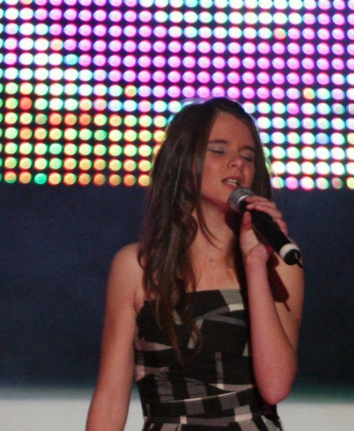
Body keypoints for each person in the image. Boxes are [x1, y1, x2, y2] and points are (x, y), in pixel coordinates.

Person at [86, 97, 304, 431]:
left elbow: (275, 386)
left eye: (248, 156)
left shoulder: (279, 262)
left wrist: (256, 265)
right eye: (218, 151)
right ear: (182, 162)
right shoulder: (137, 267)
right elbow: (110, 398)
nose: (237, 163)